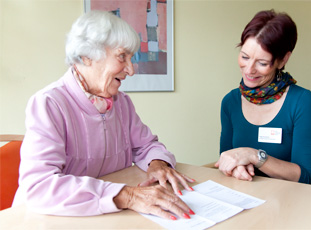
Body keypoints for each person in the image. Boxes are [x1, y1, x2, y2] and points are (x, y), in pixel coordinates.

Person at [13, 11, 195, 220]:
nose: (131, 70)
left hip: (108, 218)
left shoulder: (122, 103)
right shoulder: (49, 103)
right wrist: (128, 195)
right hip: (50, 218)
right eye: (122, 56)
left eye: (131, 58)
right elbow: (39, 186)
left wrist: (157, 164)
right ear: (86, 56)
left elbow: (146, 145)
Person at [215, 9, 311, 184]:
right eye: (245, 56)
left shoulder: (302, 101)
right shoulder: (230, 102)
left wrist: (254, 156)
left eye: (262, 63)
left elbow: (306, 176)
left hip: (290, 203)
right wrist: (236, 167)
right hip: (243, 199)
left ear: (282, 60)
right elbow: (227, 158)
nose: (249, 70)